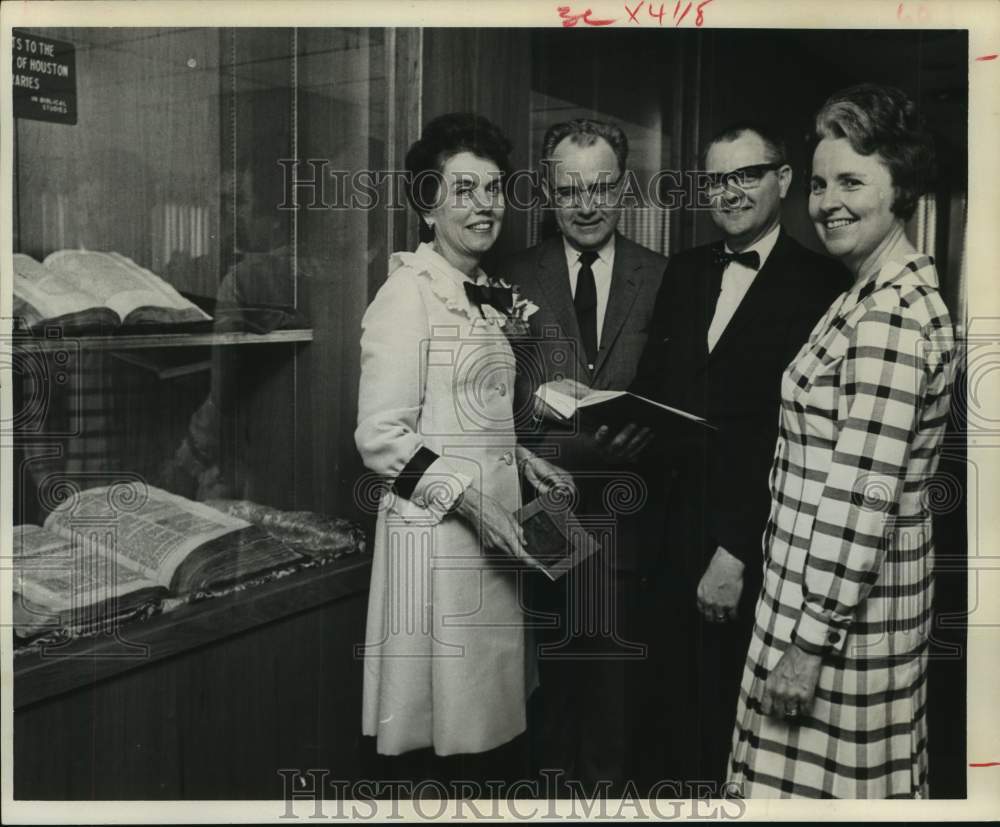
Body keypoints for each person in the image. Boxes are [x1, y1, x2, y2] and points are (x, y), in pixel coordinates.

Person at [727, 84, 956, 798]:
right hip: (832, 609)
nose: (828, 201)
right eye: (821, 183)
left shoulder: (891, 315)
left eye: (852, 181)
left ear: (902, 187)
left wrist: (808, 642)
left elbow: (862, 499)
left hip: (839, 629)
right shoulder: (870, 290)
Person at [627, 123, 848, 787]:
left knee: (729, 723)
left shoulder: (826, 286)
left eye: (745, 174)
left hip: (747, 544)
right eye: (716, 178)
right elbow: (657, 386)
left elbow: (797, 437)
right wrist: (619, 421)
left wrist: (734, 548)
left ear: (783, 180)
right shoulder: (686, 270)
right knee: (660, 717)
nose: (728, 191)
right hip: (662, 533)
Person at [355, 113, 572, 780]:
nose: (485, 205)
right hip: (443, 551)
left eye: (495, 188)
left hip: (495, 546)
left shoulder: (480, 294)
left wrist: (521, 457)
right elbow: (381, 436)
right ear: (427, 204)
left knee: (494, 739)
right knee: (451, 747)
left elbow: (465, 418)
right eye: (464, 189)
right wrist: (474, 498)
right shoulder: (405, 296)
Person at [500, 118, 668, 793]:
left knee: (616, 700)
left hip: (632, 516)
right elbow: (477, 407)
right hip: (542, 515)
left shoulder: (663, 277)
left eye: (601, 187)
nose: (588, 203)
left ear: (623, 186)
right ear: (547, 189)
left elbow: (682, 392)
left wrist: (651, 432)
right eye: (571, 190)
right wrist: (529, 410)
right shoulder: (507, 277)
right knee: (549, 694)